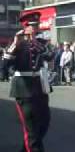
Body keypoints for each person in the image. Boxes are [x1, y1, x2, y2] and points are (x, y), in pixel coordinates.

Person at [3, 12, 53, 152]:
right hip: (23, 88)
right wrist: (15, 43)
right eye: (33, 25)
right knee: (30, 128)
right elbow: (4, 64)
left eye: (37, 25)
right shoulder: (17, 43)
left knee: (44, 122)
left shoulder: (41, 42)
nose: (36, 28)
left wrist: (34, 41)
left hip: (40, 86)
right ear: (25, 27)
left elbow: (49, 56)